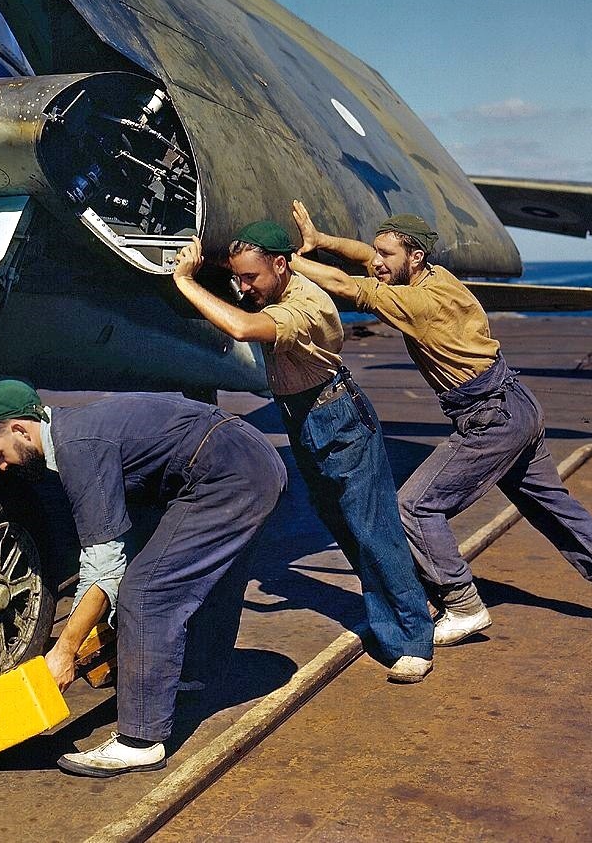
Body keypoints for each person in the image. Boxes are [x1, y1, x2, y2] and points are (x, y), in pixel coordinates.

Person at [289, 202, 592, 646]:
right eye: (378, 253)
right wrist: (321, 240)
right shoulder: (436, 276)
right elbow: (363, 258)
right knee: (551, 506)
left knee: (414, 507)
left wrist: (284, 259)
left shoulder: (416, 301)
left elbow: (344, 285)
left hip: (489, 417)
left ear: (415, 257)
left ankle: (463, 605)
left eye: (387, 255)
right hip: (517, 403)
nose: (378, 262)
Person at [0, 380, 286, 777]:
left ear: (20, 429)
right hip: (248, 462)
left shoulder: (77, 448)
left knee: (145, 591)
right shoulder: (76, 429)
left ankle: (139, 741)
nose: (3, 466)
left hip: (231, 471)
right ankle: (193, 678)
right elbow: (110, 551)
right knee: (193, 575)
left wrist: (64, 651)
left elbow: (105, 565)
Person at [172, 222, 434, 684]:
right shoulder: (272, 289)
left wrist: (186, 281)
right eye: (237, 278)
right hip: (302, 416)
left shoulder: (305, 306)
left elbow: (241, 327)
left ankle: (413, 639)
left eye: (251, 278)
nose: (242, 287)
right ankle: (389, 620)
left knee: (375, 530)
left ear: (280, 264)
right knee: (347, 529)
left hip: (337, 419)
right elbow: (246, 298)